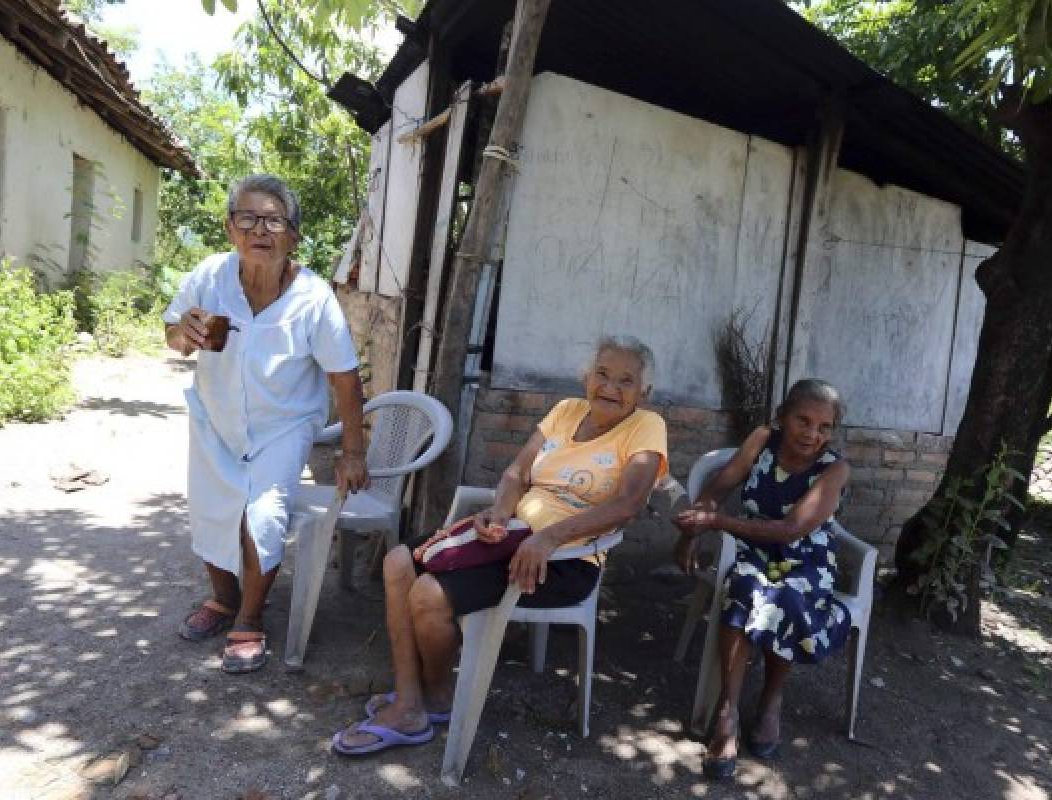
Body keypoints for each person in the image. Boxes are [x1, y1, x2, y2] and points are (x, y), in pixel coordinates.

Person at [332, 336, 669, 755]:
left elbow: (629, 503)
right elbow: (515, 473)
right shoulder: (566, 411)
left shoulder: (646, 426)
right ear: (587, 377)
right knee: (399, 560)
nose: (610, 387)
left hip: (566, 560)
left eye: (625, 380)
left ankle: (430, 699)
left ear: (644, 392)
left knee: (428, 593)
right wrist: (499, 513)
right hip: (511, 538)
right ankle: (411, 697)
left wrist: (549, 537)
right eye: (602, 374)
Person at [164, 174, 369, 674]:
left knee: (263, 514)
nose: (261, 229)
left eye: (274, 220)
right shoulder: (209, 277)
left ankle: (251, 617)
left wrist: (353, 450)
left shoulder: (313, 297)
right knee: (213, 511)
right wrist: (183, 335)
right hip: (216, 419)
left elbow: (344, 377)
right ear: (231, 229)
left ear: (293, 235)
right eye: (248, 218)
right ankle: (222, 599)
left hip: (284, 426)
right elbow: (172, 334)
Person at [672, 379, 851, 779]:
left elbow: (792, 530)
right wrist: (692, 529)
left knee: (787, 598)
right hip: (752, 549)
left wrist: (715, 522)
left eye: (823, 427)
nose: (812, 434)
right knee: (745, 588)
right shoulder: (761, 440)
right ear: (783, 416)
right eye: (803, 420)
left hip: (807, 559)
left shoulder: (834, 468)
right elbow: (719, 486)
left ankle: (771, 698)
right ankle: (727, 712)